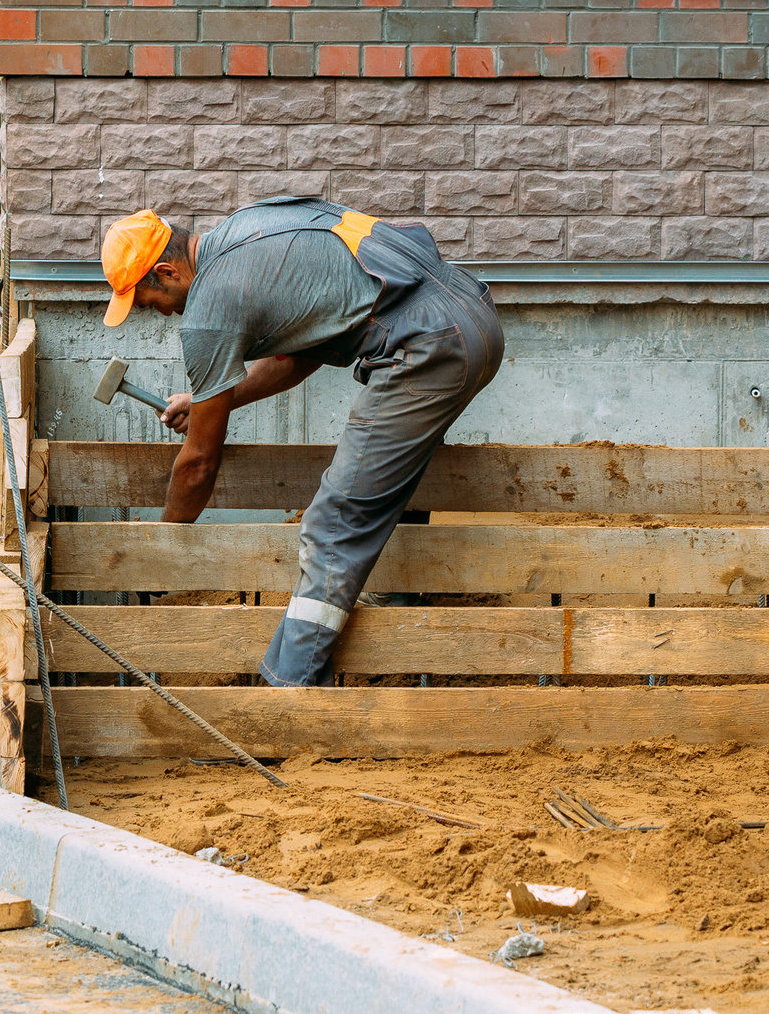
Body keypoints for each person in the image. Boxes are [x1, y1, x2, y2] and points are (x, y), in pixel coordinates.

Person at [101, 197, 505, 686]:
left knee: (334, 521)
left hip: (428, 347)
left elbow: (199, 464)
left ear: (166, 273)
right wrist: (208, 401)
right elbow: (297, 358)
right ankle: (397, 620)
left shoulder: (209, 307)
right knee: (384, 474)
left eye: (150, 304)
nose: (160, 315)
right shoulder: (247, 228)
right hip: (471, 316)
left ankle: (289, 691)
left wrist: (159, 549)